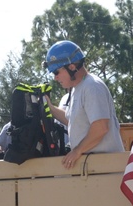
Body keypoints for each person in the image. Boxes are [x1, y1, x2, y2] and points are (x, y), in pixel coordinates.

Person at [44, 40, 124, 170]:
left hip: (106, 167)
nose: (55, 78)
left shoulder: (92, 86)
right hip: (96, 166)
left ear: (72, 67)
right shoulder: (78, 88)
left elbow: (100, 127)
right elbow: (73, 121)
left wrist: (77, 151)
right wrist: (50, 108)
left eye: (56, 72)